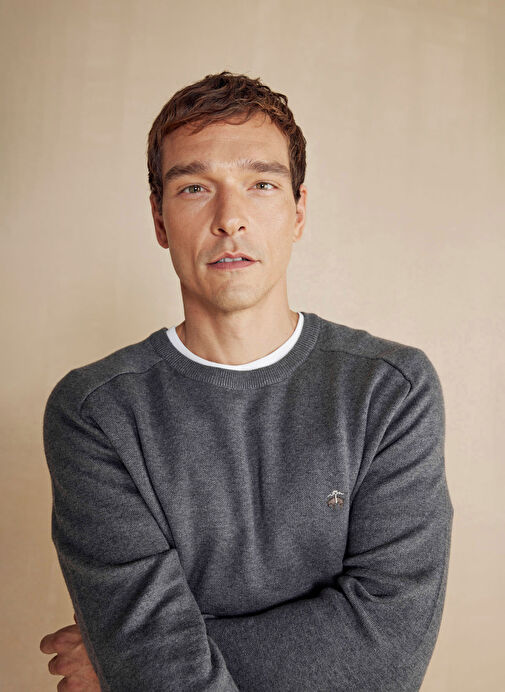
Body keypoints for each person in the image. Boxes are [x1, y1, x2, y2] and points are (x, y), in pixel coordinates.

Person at [39, 71, 454, 691]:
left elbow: (387, 654)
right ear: (159, 219)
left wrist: (123, 660)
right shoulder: (96, 411)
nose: (229, 219)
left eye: (261, 184)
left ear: (298, 211)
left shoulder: (390, 390)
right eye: (194, 188)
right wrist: (138, 657)